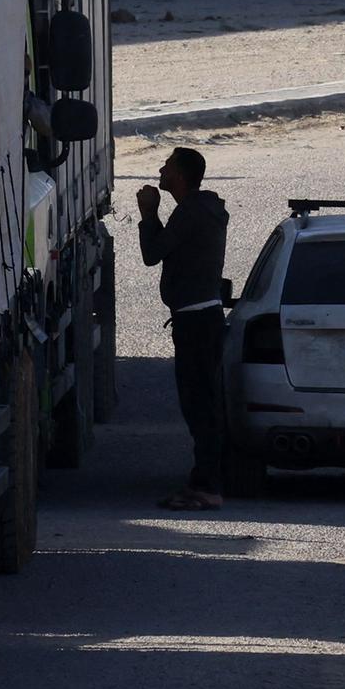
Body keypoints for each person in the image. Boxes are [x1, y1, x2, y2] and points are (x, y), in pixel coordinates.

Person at [137, 146, 230, 510]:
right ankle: (203, 480)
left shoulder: (190, 213)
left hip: (197, 321)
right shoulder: (201, 210)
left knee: (200, 405)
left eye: (167, 166)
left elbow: (152, 253)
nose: (160, 170)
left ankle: (208, 486)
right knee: (199, 403)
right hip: (199, 318)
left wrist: (148, 213)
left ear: (179, 176)